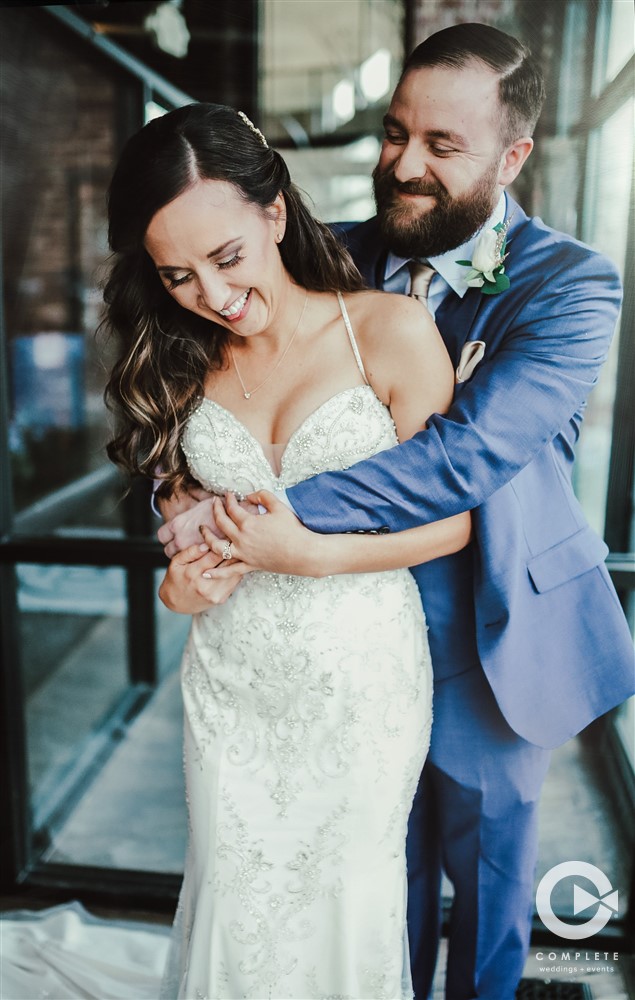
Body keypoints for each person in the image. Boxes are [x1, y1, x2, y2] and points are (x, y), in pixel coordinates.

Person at [158, 24, 635, 1000]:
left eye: (440, 145)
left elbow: (464, 456)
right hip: (331, 648)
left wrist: (249, 515)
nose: (400, 165)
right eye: (391, 133)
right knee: (372, 888)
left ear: (511, 157)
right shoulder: (320, 252)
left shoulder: (566, 284)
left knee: (488, 892)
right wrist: (187, 494)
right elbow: (221, 383)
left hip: (486, 631)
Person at [103, 102, 472, 1000]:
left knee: (343, 900)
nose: (213, 295)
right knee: (235, 896)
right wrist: (181, 597)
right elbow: (185, 552)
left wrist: (308, 555)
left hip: (360, 682)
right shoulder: (183, 361)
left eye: (226, 258)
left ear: (273, 214)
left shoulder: (389, 331)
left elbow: (451, 525)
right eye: (178, 276)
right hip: (230, 681)